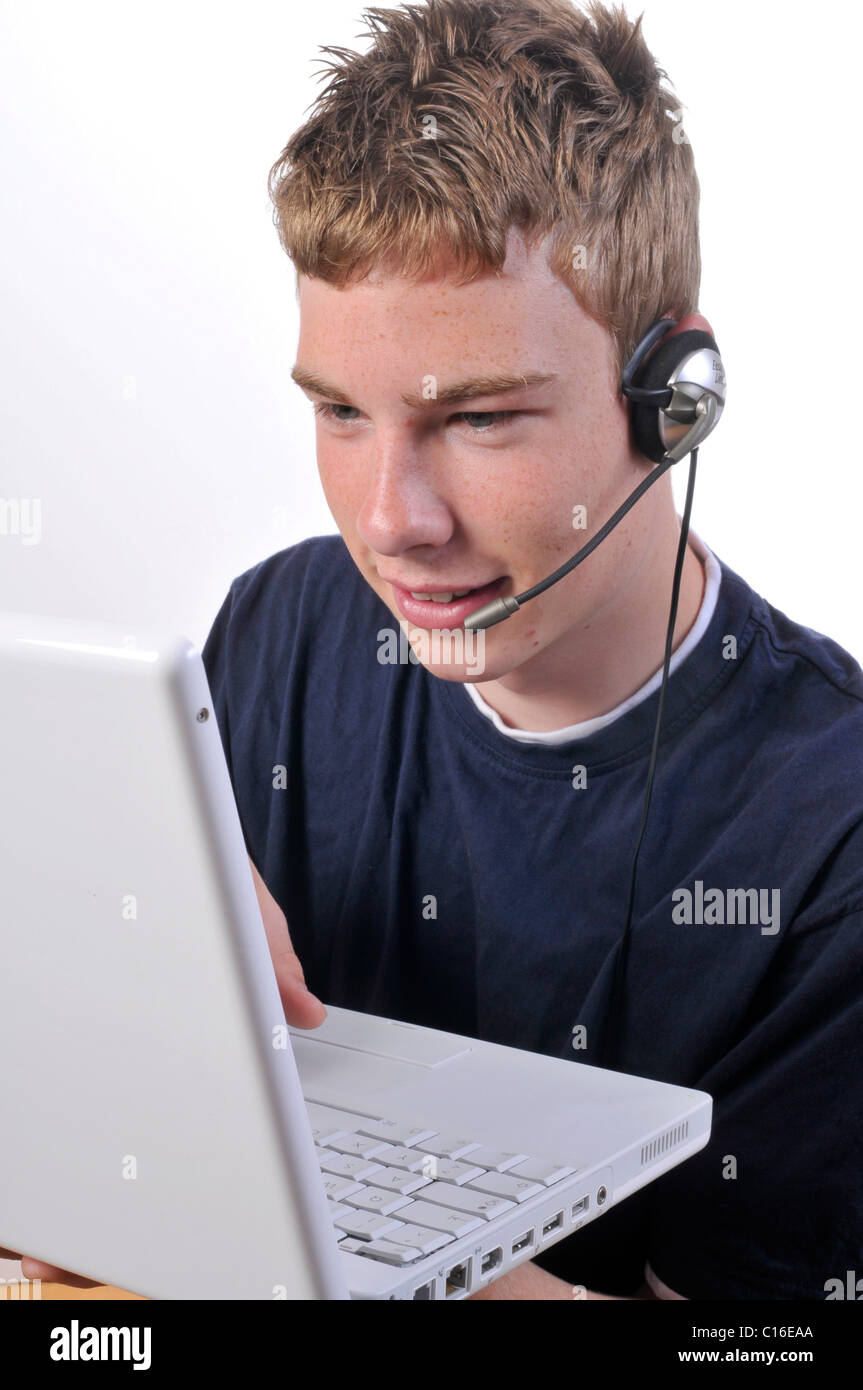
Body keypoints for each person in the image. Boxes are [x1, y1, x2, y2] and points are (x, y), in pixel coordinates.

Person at [10, 0, 862, 1300]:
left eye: (476, 418)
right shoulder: (280, 630)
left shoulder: (833, 832)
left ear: (673, 400)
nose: (392, 523)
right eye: (341, 412)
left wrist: (326, 1249)